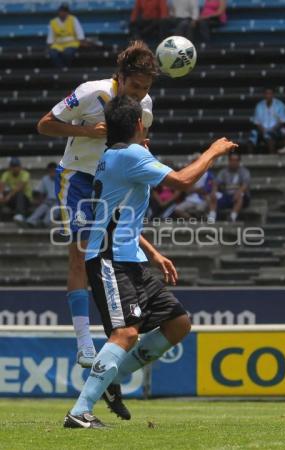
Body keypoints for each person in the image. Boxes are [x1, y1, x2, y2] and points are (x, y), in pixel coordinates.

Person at [63, 95, 237, 429]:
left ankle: (112, 378)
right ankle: (80, 411)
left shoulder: (117, 155)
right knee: (126, 333)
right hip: (110, 258)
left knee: (178, 323)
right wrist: (213, 151)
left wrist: (154, 253)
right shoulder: (128, 156)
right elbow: (184, 180)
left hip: (132, 259)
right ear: (139, 124)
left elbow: (120, 212)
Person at [37, 41, 175, 420]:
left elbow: (138, 143)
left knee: (109, 248)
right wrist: (90, 131)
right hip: (79, 177)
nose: (141, 94)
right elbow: (44, 125)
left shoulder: (144, 108)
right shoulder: (89, 92)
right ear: (121, 77)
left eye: (147, 88)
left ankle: (108, 366)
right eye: (136, 87)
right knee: (81, 251)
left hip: (112, 181)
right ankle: (84, 343)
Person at [210, 152, 250, 223]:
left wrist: (238, 192)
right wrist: (214, 191)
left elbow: (245, 185)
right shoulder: (223, 172)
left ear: (239, 161)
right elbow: (216, 183)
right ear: (229, 161)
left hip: (241, 196)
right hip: (227, 195)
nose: (233, 162)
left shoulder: (244, 171)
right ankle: (211, 218)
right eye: (232, 160)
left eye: (236, 160)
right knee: (214, 195)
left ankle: (232, 217)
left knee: (239, 195)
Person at [248, 88, 285, 154]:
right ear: (264, 95)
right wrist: (263, 131)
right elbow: (257, 122)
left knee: (269, 136)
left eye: (270, 93)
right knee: (252, 136)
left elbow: (283, 121)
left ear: (273, 95)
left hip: (276, 130)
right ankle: (250, 158)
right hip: (262, 130)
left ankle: (272, 159)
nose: (268, 95)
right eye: (266, 94)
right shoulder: (259, 105)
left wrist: (271, 130)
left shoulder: (280, 105)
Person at [47, 3, 85, 68]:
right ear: (59, 12)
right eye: (61, 11)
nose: (63, 13)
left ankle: (68, 68)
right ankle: (61, 69)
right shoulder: (53, 22)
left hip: (71, 43)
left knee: (67, 54)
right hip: (58, 45)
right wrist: (49, 45)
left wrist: (81, 41)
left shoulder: (73, 19)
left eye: (65, 11)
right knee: (53, 54)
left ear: (68, 12)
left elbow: (79, 33)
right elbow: (50, 37)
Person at [0, 157, 32, 223]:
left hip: (26, 200)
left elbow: (20, 187)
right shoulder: (6, 173)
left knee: (19, 193)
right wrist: (1, 195)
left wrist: (8, 196)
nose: (15, 168)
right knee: (3, 194)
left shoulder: (25, 174)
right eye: (13, 166)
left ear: (20, 166)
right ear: (10, 167)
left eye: (16, 166)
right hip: (13, 199)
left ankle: (19, 215)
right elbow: (2, 184)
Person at [26, 162, 57, 228]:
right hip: (48, 201)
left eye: (53, 170)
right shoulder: (45, 179)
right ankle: (30, 222)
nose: (52, 172)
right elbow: (39, 191)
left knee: (52, 209)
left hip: (60, 201)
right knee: (42, 207)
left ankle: (44, 223)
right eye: (50, 171)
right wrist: (39, 200)